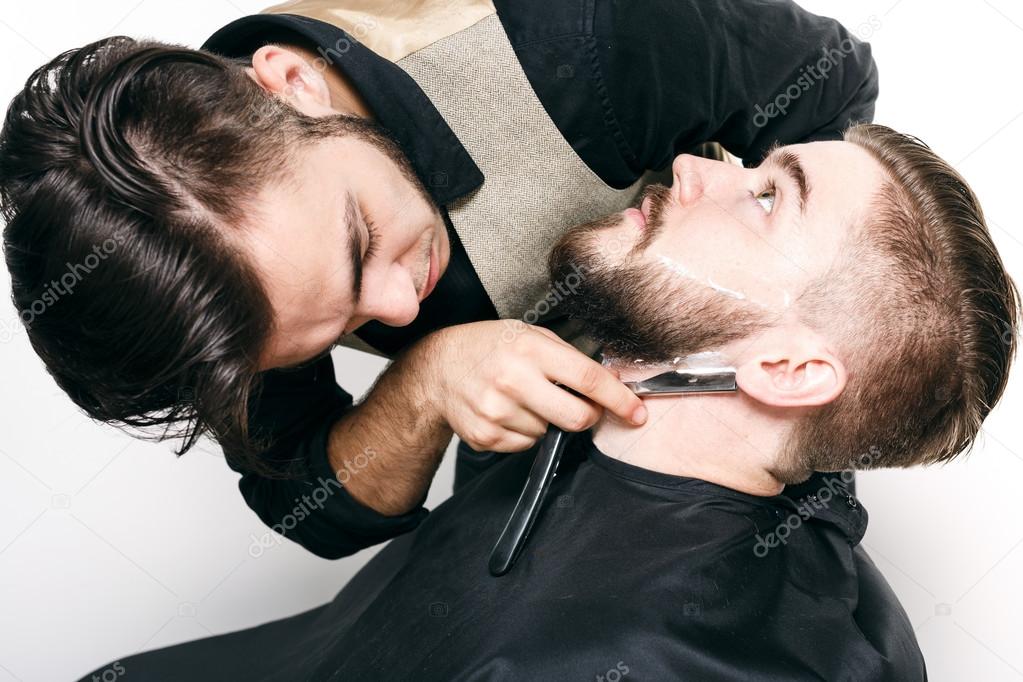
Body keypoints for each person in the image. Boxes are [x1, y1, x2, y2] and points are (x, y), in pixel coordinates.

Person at [75, 123, 1018, 681]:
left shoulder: (646, 656)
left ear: (788, 372)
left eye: (768, 198)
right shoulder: (573, 402)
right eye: (751, 162)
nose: (699, 164)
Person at [0, 0, 880, 559]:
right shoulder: (210, 266)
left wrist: (716, 322)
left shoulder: (588, 37)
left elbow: (830, 85)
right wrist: (425, 386)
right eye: (335, 321)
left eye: (362, 243)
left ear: (296, 84)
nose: (394, 308)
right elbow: (302, 503)